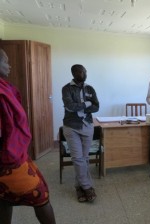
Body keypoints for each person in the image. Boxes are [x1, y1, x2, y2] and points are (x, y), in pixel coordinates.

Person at [0, 49, 56, 224]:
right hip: (8, 161)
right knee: (40, 196)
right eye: (6, 61)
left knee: (4, 200)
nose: (9, 65)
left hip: (17, 154)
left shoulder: (5, 87)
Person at [62, 64, 99, 202]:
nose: (83, 73)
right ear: (74, 73)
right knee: (78, 158)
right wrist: (87, 104)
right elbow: (70, 107)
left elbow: (97, 106)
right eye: (80, 71)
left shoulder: (90, 88)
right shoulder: (66, 89)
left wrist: (88, 106)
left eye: (85, 71)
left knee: (84, 158)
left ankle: (79, 187)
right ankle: (87, 187)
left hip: (87, 125)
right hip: (71, 126)